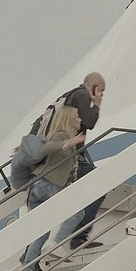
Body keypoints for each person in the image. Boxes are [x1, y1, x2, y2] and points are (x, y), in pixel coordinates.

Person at [31, 72, 106, 249]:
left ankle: (30, 254)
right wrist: (96, 105)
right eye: (101, 91)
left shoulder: (66, 97)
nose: (101, 95)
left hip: (61, 156)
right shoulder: (81, 95)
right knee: (100, 184)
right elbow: (89, 122)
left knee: (52, 208)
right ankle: (77, 237)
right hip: (70, 155)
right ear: (94, 87)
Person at [18, 106, 86, 271]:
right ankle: (57, 244)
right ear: (69, 118)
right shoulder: (61, 134)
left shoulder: (67, 139)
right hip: (47, 185)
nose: (80, 119)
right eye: (77, 116)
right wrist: (67, 144)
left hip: (37, 188)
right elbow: (48, 148)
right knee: (77, 212)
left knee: (41, 232)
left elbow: (69, 171)